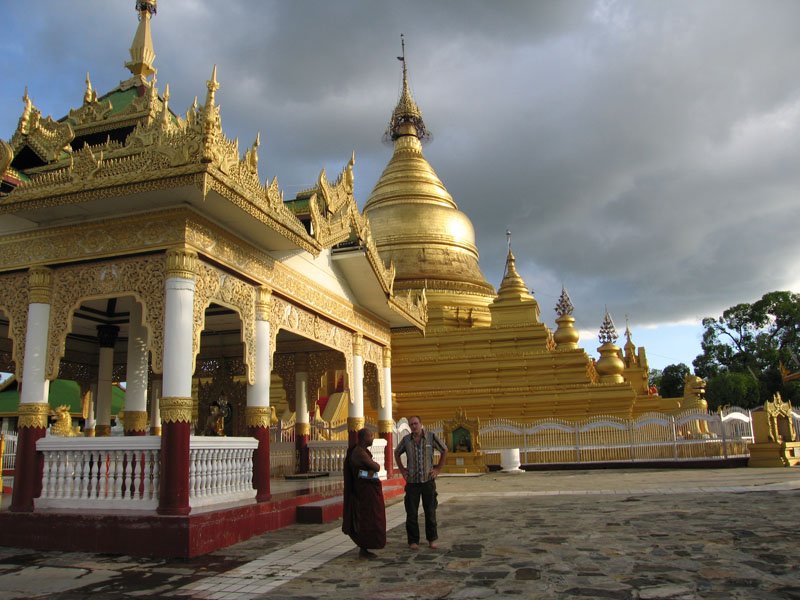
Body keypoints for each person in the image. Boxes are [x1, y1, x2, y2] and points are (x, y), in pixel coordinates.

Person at [394, 415, 448, 550]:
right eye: (411, 424)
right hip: (412, 482)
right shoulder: (406, 440)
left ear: (421, 424)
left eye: (415, 424)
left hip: (427, 481)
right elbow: (396, 452)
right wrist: (402, 469)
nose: (413, 426)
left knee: (430, 511)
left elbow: (444, 449)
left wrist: (438, 469)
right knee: (411, 513)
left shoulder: (430, 437)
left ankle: (432, 539)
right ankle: (413, 541)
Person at [342, 428, 386, 559]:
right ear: (363, 438)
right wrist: (372, 470)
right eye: (370, 436)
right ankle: (364, 546)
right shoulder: (359, 453)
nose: (372, 438)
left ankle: (365, 546)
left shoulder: (361, 451)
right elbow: (377, 467)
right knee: (366, 519)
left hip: (367, 489)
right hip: (363, 492)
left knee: (370, 518)